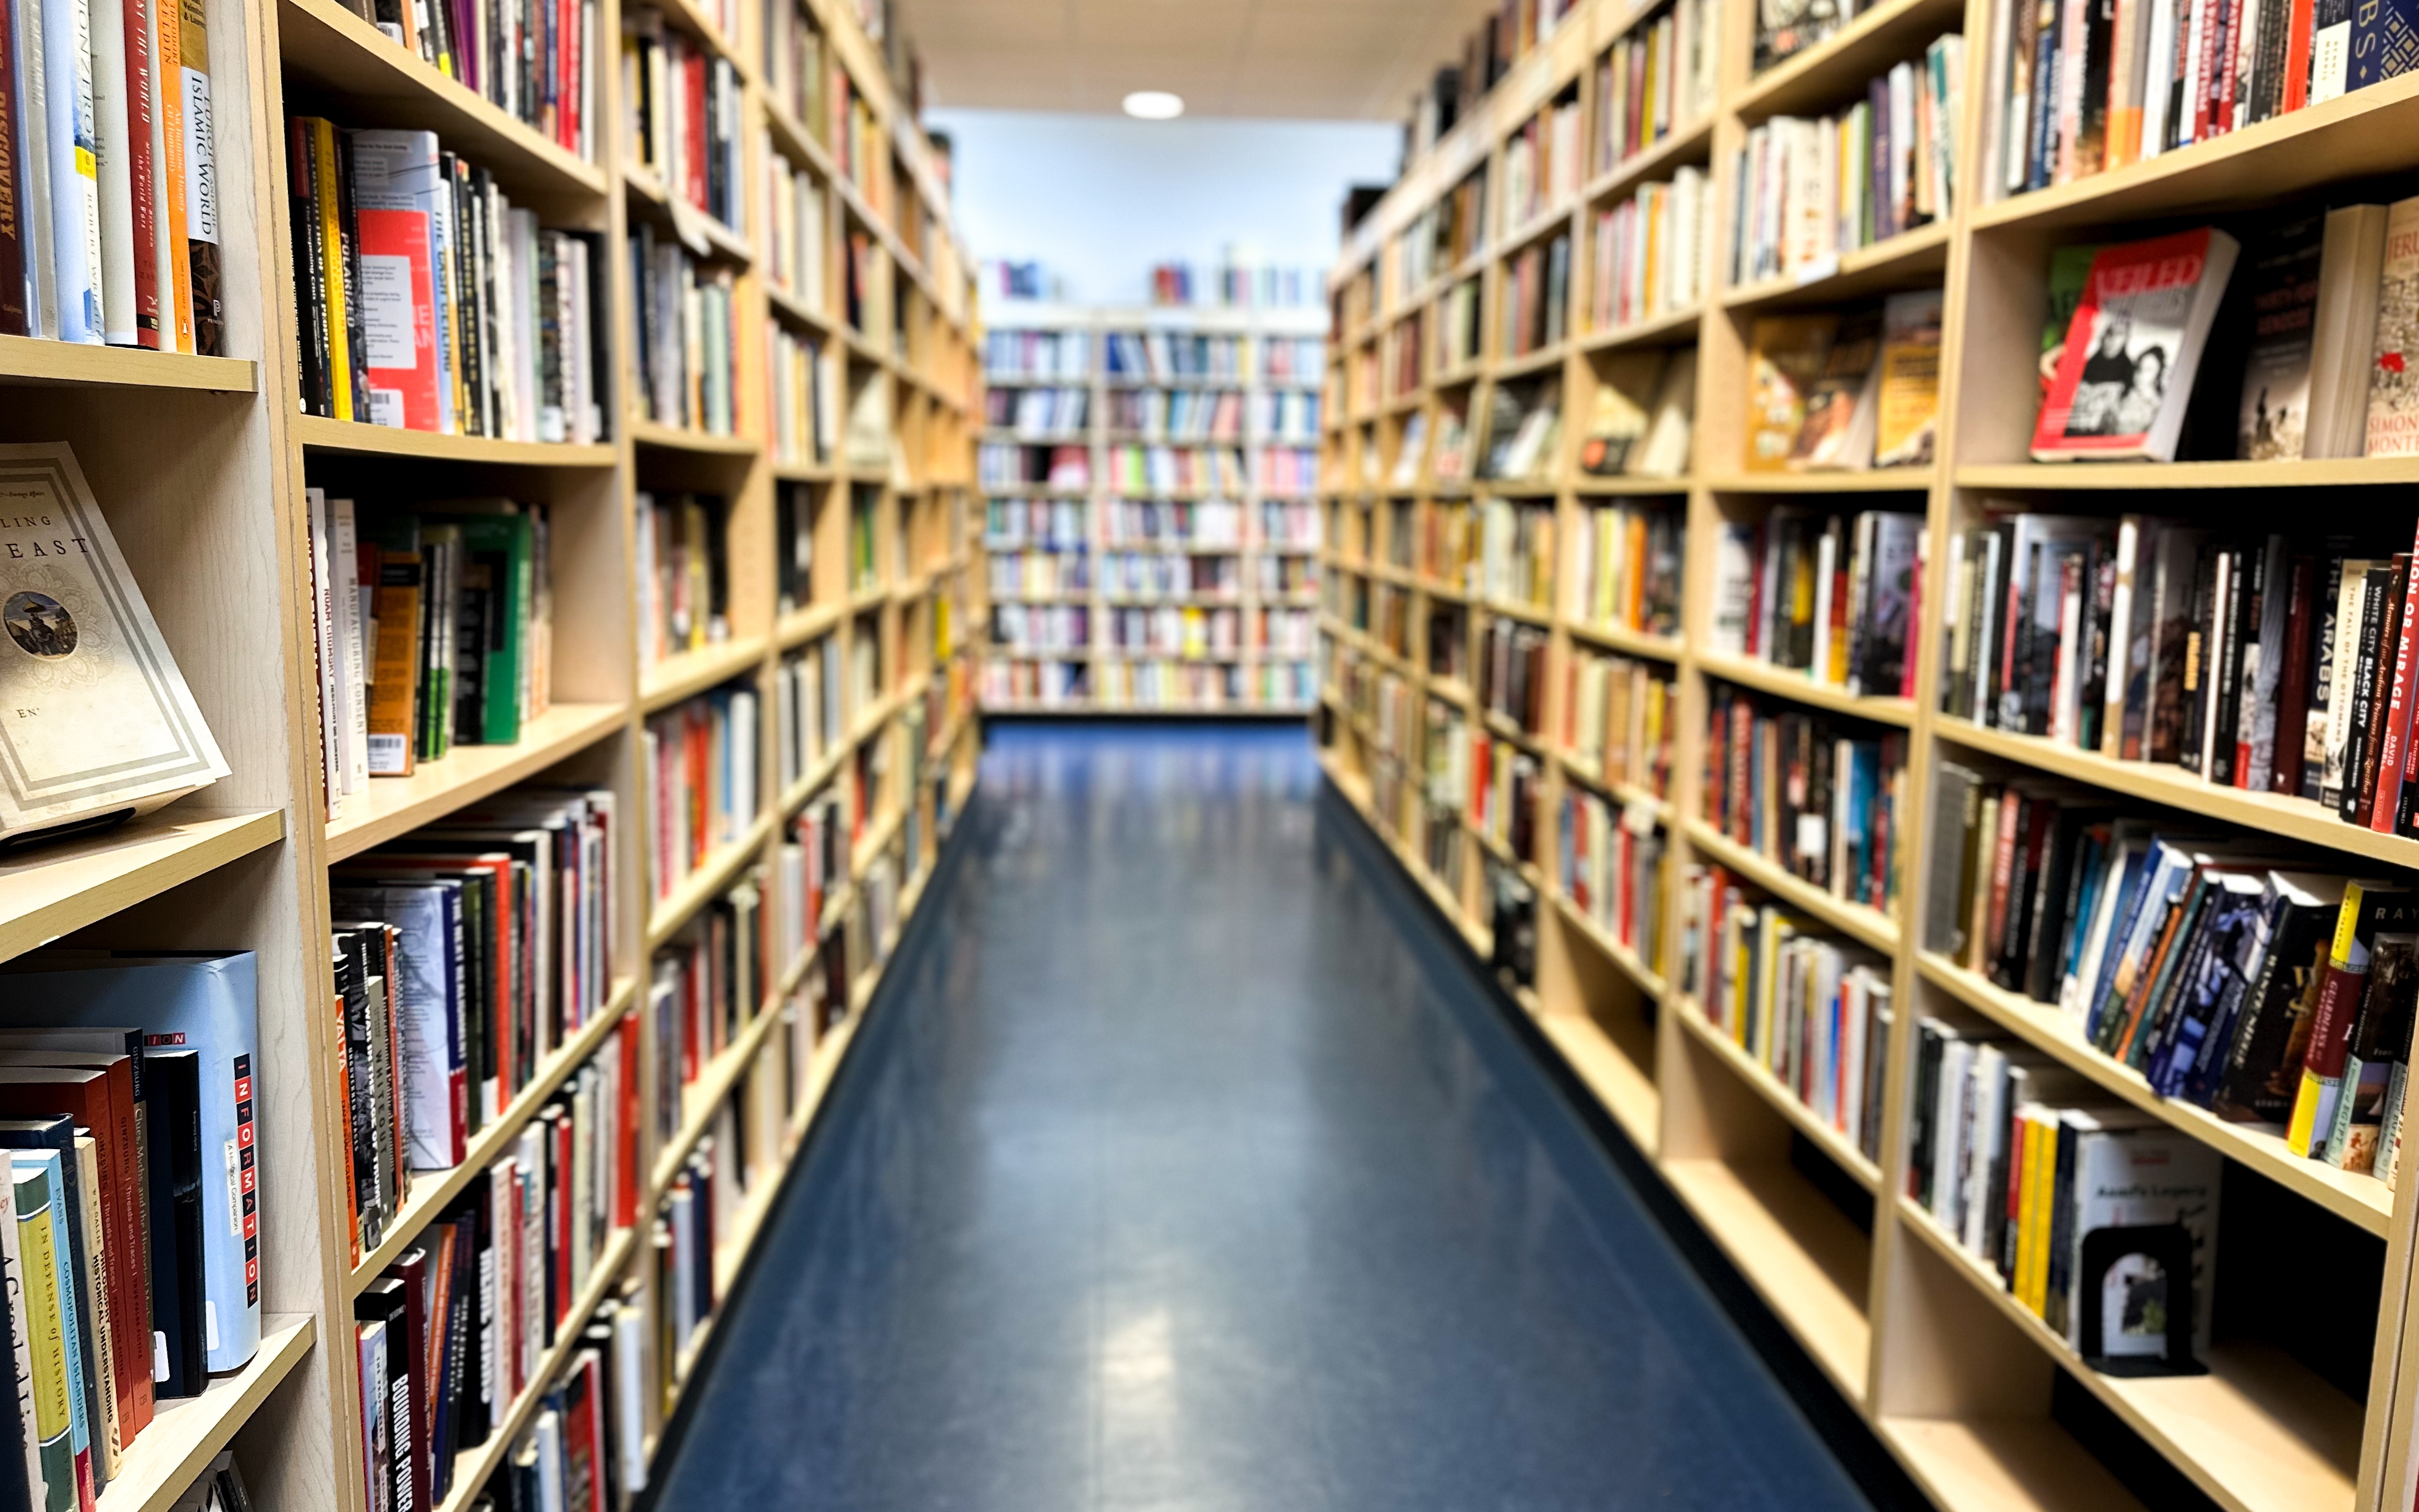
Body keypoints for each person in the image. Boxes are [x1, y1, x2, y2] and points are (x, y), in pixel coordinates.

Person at [2115, 345, 2169, 435]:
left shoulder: (2160, 406)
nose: (2142, 373)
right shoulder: (2121, 393)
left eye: (2149, 370)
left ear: (2158, 374)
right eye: (2140, 367)